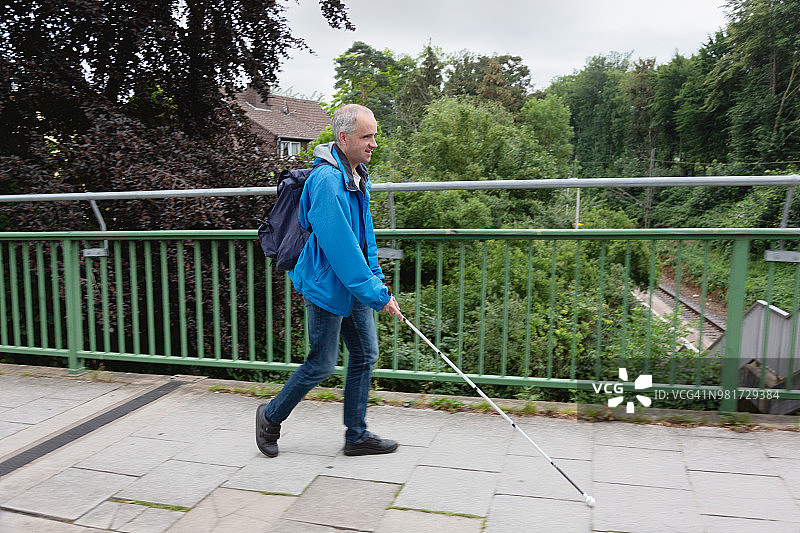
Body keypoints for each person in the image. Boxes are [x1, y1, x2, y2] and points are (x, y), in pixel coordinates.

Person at [256, 104, 403, 458]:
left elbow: (363, 237)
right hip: (325, 284)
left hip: (352, 282)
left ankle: (356, 436)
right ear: (344, 138)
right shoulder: (326, 182)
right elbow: (339, 248)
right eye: (367, 136)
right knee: (322, 363)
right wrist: (375, 293)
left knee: (366, 354)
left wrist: (376, 282)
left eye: (374, 136)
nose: (373, 144)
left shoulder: (356, 173)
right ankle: (269, 417)